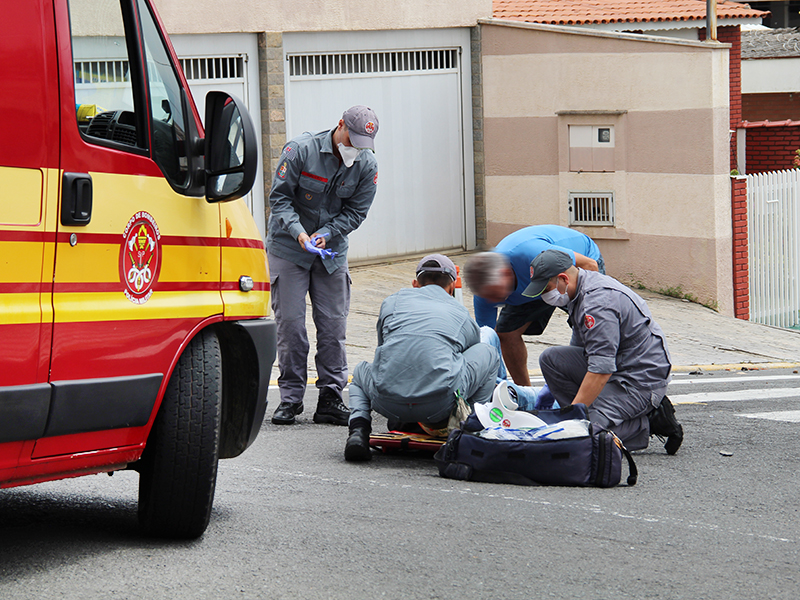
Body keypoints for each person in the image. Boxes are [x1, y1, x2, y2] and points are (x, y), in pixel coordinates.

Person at [267, 105, 379, 426]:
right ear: (340, 125)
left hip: (330, 252)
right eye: (352, 139)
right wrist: (300, 234)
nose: (355, 149)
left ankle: (330, 396)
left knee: (333, 326)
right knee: (290, 325)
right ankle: (290, 398)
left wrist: (327, 233)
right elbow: (280, 199)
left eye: (362, 144)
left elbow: (356, 212)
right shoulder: (300, 151)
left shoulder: (367, 165)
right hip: (290, 247)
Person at [344, 254, 502, 461]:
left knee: (360, 371)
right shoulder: (461, 313)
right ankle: (469, 429)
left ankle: (358, 431)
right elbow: (467, 356)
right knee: (488, 353)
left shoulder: (392, 302)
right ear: (452, 287)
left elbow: (384, 349)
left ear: (415, 284)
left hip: (387, 401)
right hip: (439, 404)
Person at [527, 249, 684, 454]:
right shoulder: (580, 289)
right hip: (619, 365)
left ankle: (649, 422)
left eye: (546, 289)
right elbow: (581, 349)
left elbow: (601, 369)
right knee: (551, 360)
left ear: (563, 279)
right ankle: (587, 413)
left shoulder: (597, 303)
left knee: (585, 432)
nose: (543, 296)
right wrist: (558, 398)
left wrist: (574, 420)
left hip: (639, 380)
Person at [462, 225, 604, 387]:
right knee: (506, 334)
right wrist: (497, 387)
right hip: (532, 284)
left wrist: (586, 310)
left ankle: (591, 390)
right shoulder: (485, 294)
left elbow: (590, 265)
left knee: (589, 329)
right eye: (491, 298)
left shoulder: (531, 253)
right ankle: (525, 394)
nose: (496, 302)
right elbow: (488, 345)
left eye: (497, 294)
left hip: (578, 263)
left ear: (506, 274)